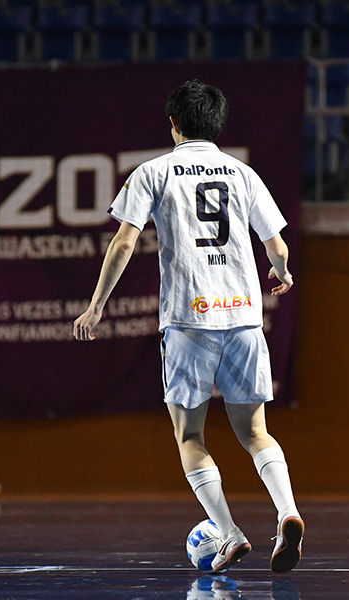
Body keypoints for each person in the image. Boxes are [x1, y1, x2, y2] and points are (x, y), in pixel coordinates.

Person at [74, 80, 304, 574]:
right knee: (256, 431)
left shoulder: (154, 171)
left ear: (174, 124)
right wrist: (282, 274)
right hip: (243, 317)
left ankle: (230, 533)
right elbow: (278, 247)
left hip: (189, 320)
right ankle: (287, 511)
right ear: (217, 124)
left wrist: (96, 306)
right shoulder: (243, 173)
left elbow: (124, 242)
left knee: (190, 436)